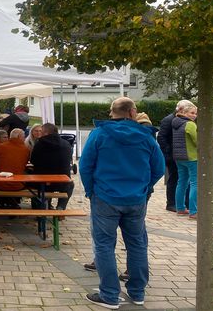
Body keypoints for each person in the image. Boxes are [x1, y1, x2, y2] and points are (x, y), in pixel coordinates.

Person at [79, 97, 165, 309]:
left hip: (105, 197)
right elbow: (159, 168)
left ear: (112, 113)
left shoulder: (99, 134)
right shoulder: (147, 137)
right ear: (133, 112)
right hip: (136, 198)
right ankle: (137, 292)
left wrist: (91, 190)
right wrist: (145, 188)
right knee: (137, 244)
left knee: (104, 246)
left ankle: (109, 294)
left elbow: (85, 165)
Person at [30, 123, 74, 210]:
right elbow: (68, 160)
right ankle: (61, 207)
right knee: (70, 185)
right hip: (62, 183)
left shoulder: (39, 144)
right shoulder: (66, 144)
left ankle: (43, 206)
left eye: (42, 131)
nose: (40, 134)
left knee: (33, 180)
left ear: (46, 133)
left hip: (42, 183)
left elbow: (33, 161)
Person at [158, 100, 192, 212]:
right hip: (172, 156)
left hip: (181, 155)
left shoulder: (183, 120)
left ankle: (184, 203)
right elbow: (161, 138)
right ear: (180, 109)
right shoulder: (168, 120)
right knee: (174, 179)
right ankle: (171, 203)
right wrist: (168, 153)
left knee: (183, 179)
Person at [172, 100, 198, 219]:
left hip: (179, 157)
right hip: (191, 157)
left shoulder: (176, 123)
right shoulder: (190, 124)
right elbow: (197, 141)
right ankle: (193, 211)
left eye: (195, 113)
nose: (194, 115)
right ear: (185, 113)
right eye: (192, 113)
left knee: (182, 182)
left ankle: (180, 208)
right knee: (195, 183)